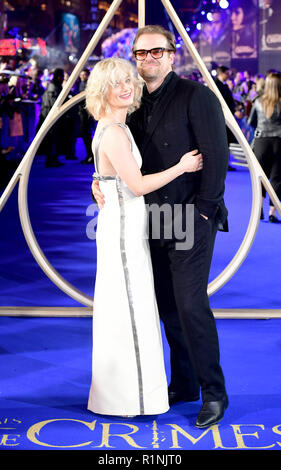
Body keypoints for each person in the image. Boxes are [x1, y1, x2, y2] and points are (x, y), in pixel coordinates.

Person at [92, 25, 229, 428]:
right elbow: (115, 160)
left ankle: (213, 393)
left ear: (172, 55)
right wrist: (98, 182)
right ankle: (184, 383)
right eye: (141, 53)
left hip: (189, 218)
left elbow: (216, 157)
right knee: (167, 308)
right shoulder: (131, 105)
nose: (148, 59)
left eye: (156, 52)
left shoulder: (196, 95)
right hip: (146, 222)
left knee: (190, 306)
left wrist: (205, 212)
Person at [86, 57, 203, 417]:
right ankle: (132, 398)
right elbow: (136, 186)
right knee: (131, 309)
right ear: (102, 89)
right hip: (123, 229)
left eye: (127, 81)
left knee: (127, 307)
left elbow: (112, 177)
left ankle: (127, 394)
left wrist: (99, 181)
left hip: (124, 224)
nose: (126, 87)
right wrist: (181, 167)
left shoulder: (113, 127)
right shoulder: (115, 131)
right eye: (117, 82)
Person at [248, 72, 281, 223]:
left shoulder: (258, 101)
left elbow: (250, 122)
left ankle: (259, 209)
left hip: (261, 142)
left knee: (260, 177)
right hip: (279, 143)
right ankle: (272, 212)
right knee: (277, 179)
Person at [37, 68, 65, 167]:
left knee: (53, 139)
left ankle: (53, 158)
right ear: (58, 77)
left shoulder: (54, 86)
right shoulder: (53, 87)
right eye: (62, 77)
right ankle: (51, 159)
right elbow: (52, 103)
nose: (63, 79)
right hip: (50, 116)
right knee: (52, 139)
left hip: (50, 116)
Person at [79, 68, 95, 164]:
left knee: (87, 135)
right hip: (82, 112)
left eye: (84, 75)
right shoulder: (81, 84)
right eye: (81, 75)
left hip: (87, 113)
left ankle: (91, 155)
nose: (82, 76)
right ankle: (89, 154)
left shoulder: (89, 85)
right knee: (85, 135)